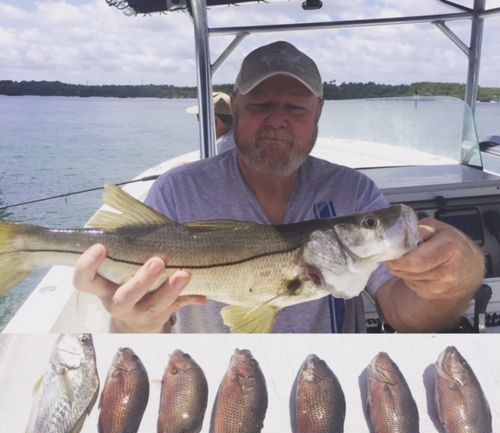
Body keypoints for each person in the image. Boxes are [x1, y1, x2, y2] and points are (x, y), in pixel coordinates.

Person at [73, 41, 485, 333]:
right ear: (234, 108)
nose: (277, 120)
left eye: (294, 107)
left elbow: (404, 312)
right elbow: (150, 331)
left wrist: (456, 281)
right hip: (209, 384)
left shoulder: (353, 192)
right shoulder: (178, 191)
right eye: (261, 105)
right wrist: (133, 322)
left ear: (318, 113)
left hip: (331, 382)